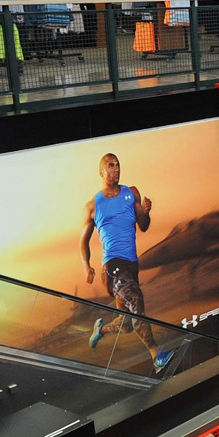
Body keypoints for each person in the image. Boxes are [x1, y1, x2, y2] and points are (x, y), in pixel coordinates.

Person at [83, 152, 173, 370]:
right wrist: (87, 266)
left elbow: (143, 225)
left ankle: (101, 330)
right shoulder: (93, 206)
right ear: (101, 172)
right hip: (111, 266)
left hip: (131, 266)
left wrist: (146, 212)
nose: (116, 169)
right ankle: (156, 356)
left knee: (127, 324)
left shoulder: (131, 193)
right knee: (136, 300)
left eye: (118, 165)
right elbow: (83, 241)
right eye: (110, 166)